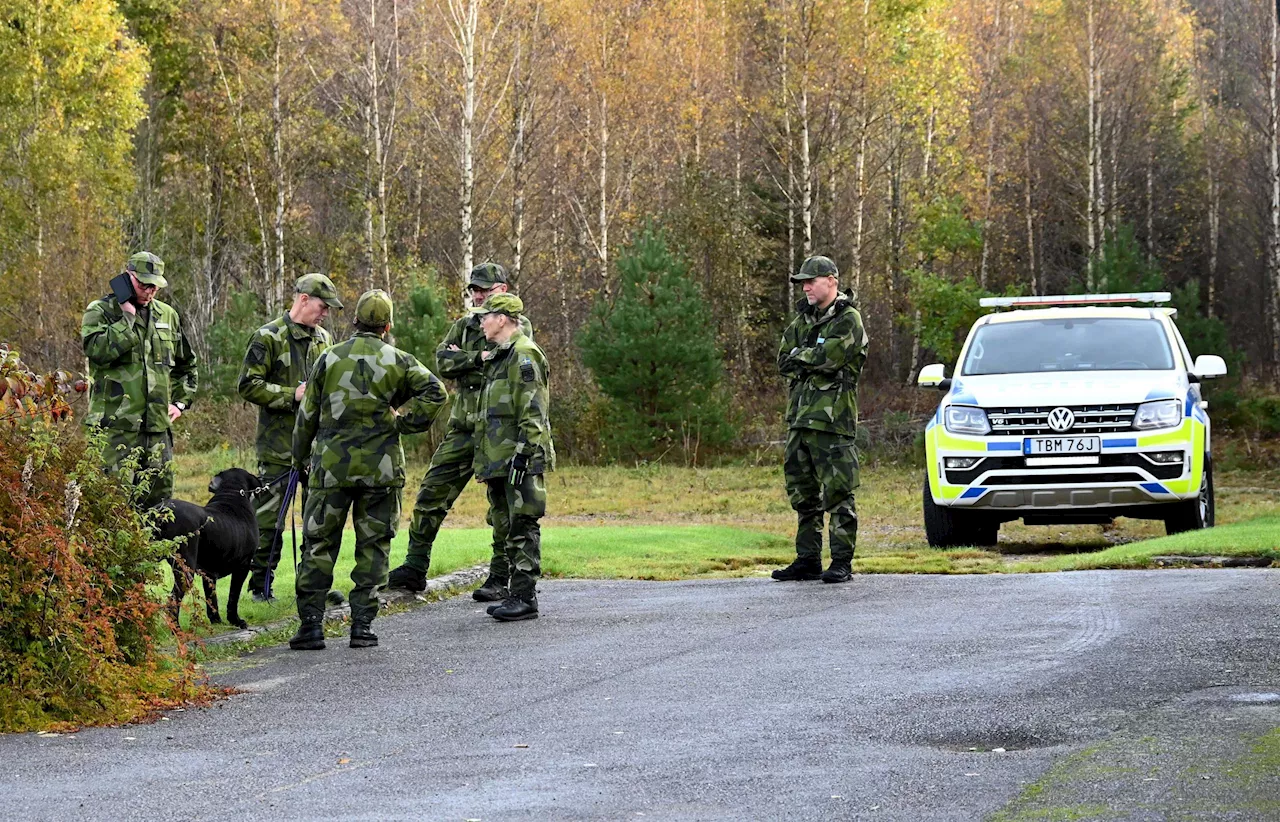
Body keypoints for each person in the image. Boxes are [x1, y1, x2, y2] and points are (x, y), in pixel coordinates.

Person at [288, 290, 448, 650]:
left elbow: (307, 415)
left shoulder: (329, 358)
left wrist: (299, 458)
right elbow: (437, 392)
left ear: (355, 321)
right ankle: (362, 626)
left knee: (318, 545)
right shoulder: (400, 360)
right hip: (382, 469)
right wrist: (405, 423)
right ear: (387, 326)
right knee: (374, 546)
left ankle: (311, 626)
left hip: (331, 470)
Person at [385, 263, 532, 601]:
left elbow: (504, 358)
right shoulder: (464, 326)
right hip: (464, 427)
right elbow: (441, 362)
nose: (477, 295)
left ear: (502, 289)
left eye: (484, 289)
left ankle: (499, 576)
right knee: (431, 493)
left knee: (502, 506)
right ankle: (415, 566)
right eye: (473, 290)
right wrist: (478, 356)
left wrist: (469, 358)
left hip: (498, 432)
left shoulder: (518, 325)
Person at [238, 273, 343, 600]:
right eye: (322, 306)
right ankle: (261, 587)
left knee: (320, 522)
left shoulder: (324, 339)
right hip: (278, 448)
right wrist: (291, 395)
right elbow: (247, 385)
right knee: (268, 523)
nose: (325, 313)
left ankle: (314, 588)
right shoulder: (268, 337)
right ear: (303, 300)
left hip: (318, 449)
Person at [773, 255, 868, 584]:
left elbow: (831, 358)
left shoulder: (849, 319)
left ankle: (841, 561)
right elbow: (783, 360)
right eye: (803, 281)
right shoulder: (802, 320)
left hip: (833, 422)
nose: (806, 286)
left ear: (832, 281)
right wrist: (805, 357)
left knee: (839, 493)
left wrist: (805, 356)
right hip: (800, 420)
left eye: (811, 280)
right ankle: (808, 559)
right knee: (803, 493)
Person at [81, 251, 198, 508]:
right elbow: (97, 352)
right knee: (108, 505)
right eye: (144, 284)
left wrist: (180, 403)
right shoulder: (100, 311)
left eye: (155, 285)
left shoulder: (167, 315)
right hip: (114, 431)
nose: (150, 291)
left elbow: (187, 364)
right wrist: (127, 319)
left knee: (160, 510)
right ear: (127, 277)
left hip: (157, 431)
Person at [471, 293, 554, 622]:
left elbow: (533, 412)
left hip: (519, 458)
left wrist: (523, 456)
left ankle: (524, 596)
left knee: (522, 522)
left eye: (486, 316)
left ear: (502, 319)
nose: (481, 322)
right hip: (499, 459)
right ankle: (513, 593)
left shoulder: (523, 356)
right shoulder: (500, 357)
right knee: (505, 524)